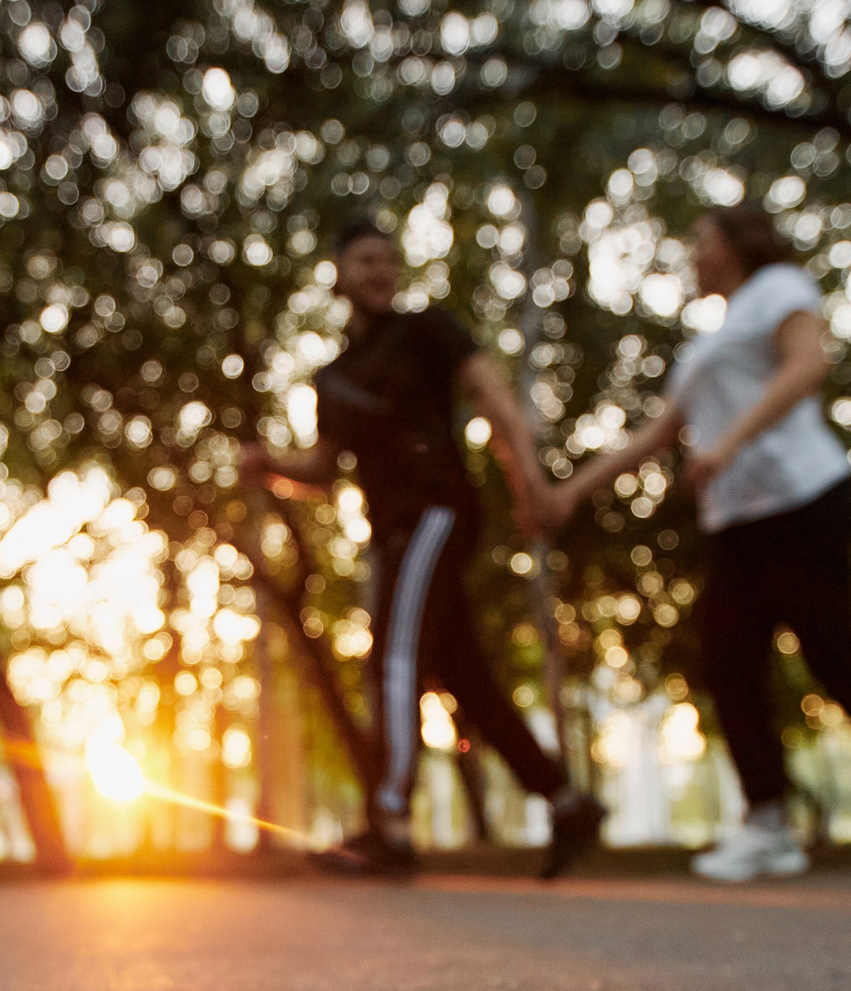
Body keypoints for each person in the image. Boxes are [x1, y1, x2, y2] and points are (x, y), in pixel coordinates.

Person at [546, 203, 851, 885]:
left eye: (701, 239)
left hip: (802, 498)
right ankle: (769, 823)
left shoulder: (779, 288)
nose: (693, 253)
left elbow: (808, 366)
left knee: (831, 654)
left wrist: (728, 443)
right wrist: (570, 493)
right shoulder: (707, 343)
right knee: (729, 664)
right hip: (736, 523)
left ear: (734, 243)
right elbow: (656, 435)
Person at [242, 215, 606, 878]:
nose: (380, 271)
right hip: (391, 531)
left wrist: (527, 482)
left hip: (436, 512)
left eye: (388, 259)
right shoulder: (335, 378)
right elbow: (323, 468)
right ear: (338, 275)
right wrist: (269, 466)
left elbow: (492, 396)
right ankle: (565, 800)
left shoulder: (427, 330)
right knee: (464, 676)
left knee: (394, 657)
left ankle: (390, 823)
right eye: (365, 260)